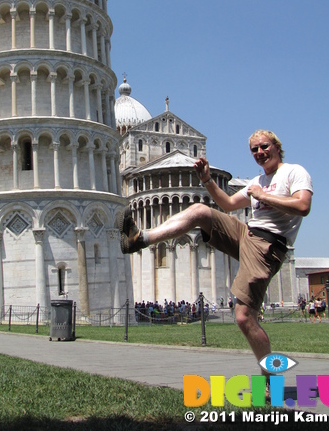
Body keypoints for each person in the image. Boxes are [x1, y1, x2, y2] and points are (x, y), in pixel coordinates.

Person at [118, 129, 312, 391]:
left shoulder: (293, 173)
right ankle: (141, 238)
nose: (259, 153)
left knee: (244, 317)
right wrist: (208, 180)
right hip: (247, 233)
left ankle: (270, 381)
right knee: (199, 210)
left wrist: (262, 195)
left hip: (268, 243)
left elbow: (303, 206)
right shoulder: (258, 180)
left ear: (277, 146)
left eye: (264, 146)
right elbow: (230, 204)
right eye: (254, 149)